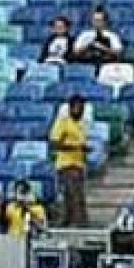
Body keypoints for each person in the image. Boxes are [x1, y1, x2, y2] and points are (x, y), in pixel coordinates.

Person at [48, 96, 90, 227]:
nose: (80, 110)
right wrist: (75, 147)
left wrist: (83, 150)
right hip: (66, 164)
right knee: (71, 194)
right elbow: (54, 143)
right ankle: (72, 222)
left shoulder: (81, 125)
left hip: (79, 164)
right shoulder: (63, 123)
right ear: (71, 108)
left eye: (82, 108)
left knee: (79, 194)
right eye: (78, 107)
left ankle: (79, 221)